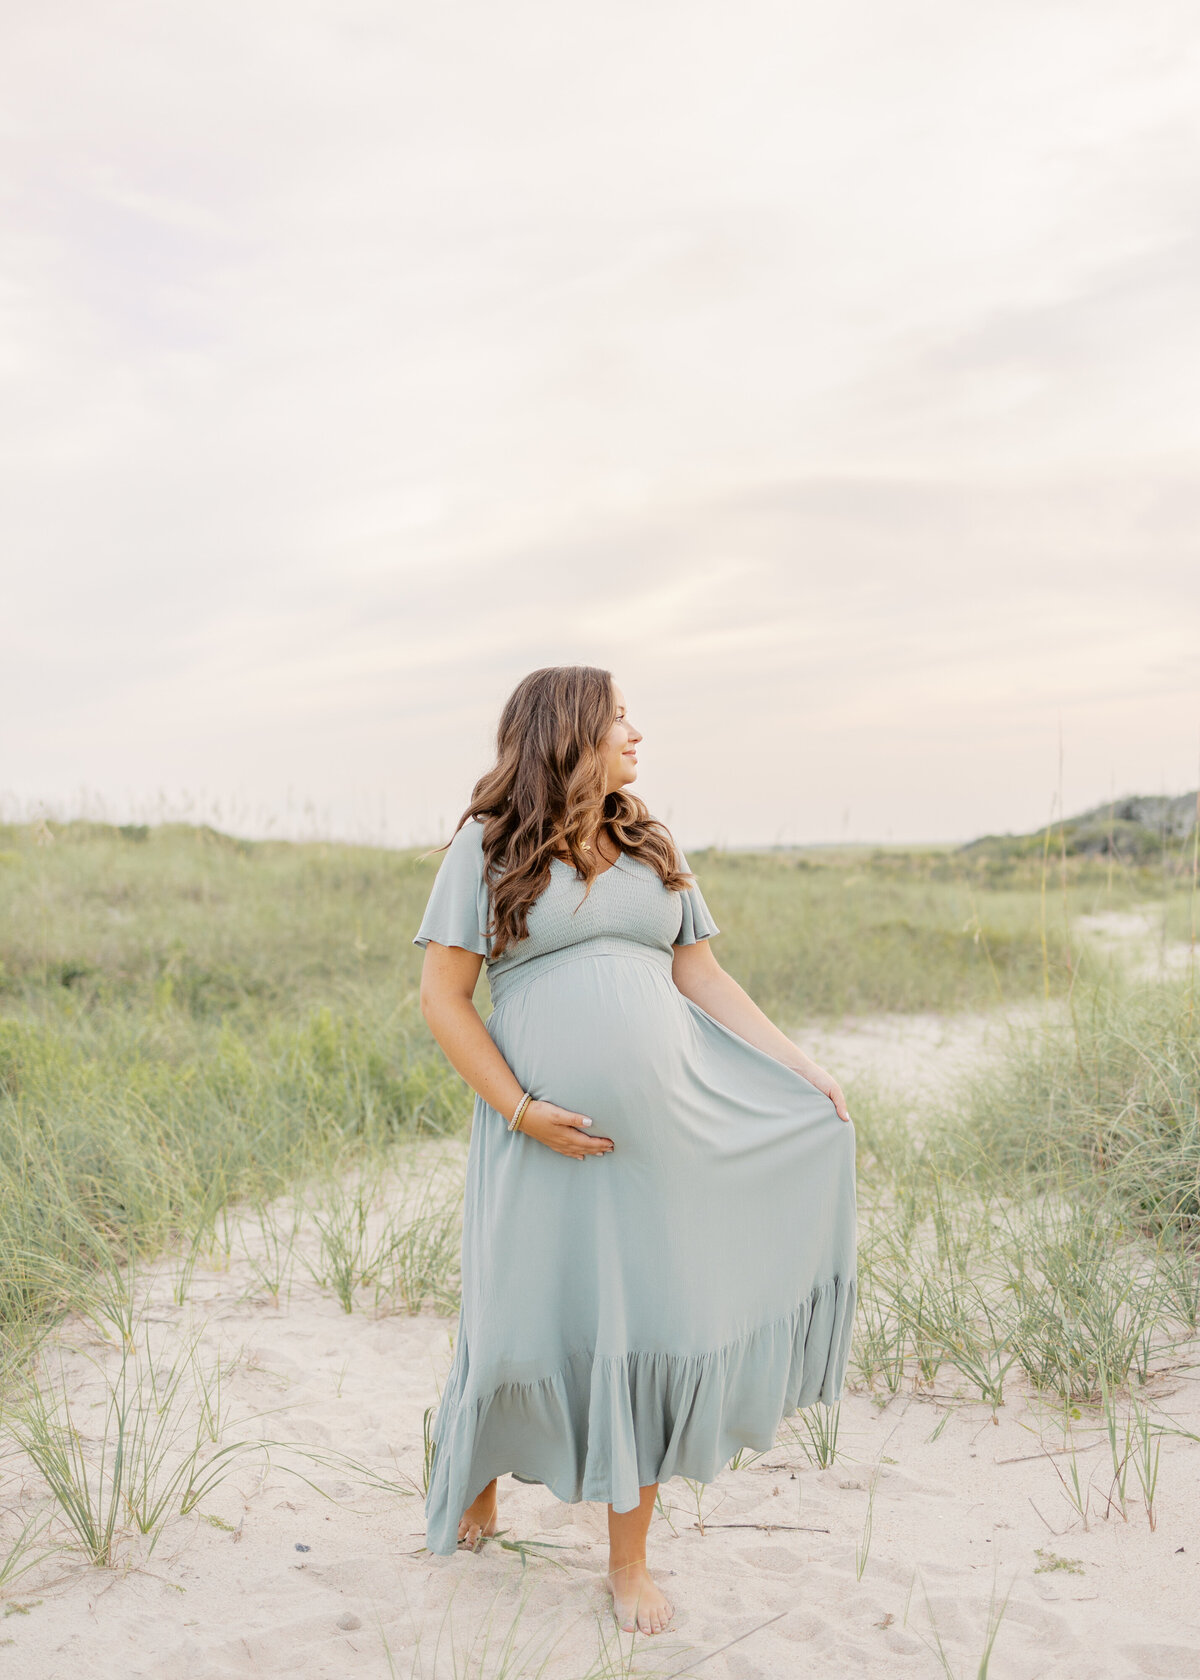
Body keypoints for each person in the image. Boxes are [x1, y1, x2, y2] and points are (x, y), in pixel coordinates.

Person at [413, 665, 857, 1636]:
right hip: (540, 1135)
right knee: (525, 1315)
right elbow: (444, 998)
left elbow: (701, 973)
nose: (637, 735)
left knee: (642, 1327)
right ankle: (483, 1471)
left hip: (663, 1141)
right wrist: (523, 1110)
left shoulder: (648, 841)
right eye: (621, 720)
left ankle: (626, 1563)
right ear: (571, 732)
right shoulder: (487, 849)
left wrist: (801, 1067)